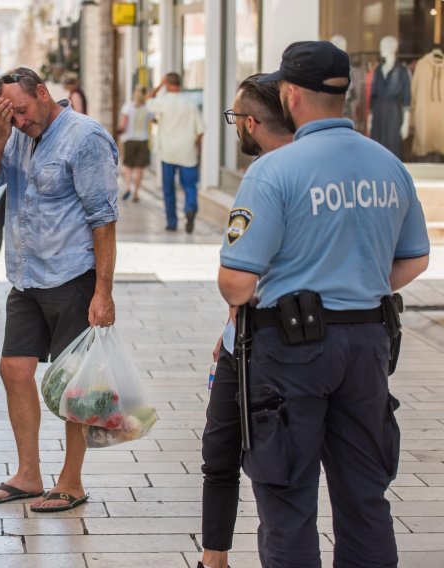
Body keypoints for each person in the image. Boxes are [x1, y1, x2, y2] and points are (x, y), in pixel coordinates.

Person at [218, 41, 430, 567]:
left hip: (291, 352)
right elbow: (416, 259)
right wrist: (356, 280)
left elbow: (236, 283)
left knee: (287, 497)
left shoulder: (274, 171)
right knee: (365, 496)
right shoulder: (389, 164)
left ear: (289, 95)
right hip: (368, 345)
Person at [0, 67, 119, 511]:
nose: (19, 119)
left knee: (75, 384)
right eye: (8, 113)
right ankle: (29, 474)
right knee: (13, 370)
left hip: (72, 277)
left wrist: (103, 292)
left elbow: (104, 220)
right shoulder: (12, 134)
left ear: (42, 92)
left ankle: (71, 480)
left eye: (22, 109)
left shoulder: (85, 137)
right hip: (26, 276)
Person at [199, 74, 293, 568]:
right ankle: (214, 558)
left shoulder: (269, 174)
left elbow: (238, 276)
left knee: (241, 457)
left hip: (269, 342)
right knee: (223, 452)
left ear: (251, 123)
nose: (236, 126)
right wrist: (229, 323)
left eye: (236, 118)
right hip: (246, 334)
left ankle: (217, 560)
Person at [146, 73, 204, 233]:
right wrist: (197, 146)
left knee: (168, 189)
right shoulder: (190, 102)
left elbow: (148, 100)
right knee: (190, 186)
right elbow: (200, 130)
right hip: (187, 152)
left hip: (168, 152)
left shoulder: (162, 102)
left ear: (167, 84)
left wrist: (159, 85)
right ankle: (190, 208)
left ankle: (172, 222)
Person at [118, 84, 153, 202]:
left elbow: (123, 125)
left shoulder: (127, 107)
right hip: (143, 140)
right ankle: (136, 193)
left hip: (129, 139)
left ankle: (128, 187)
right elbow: (153, 120)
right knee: (139, 169)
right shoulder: (148, 108)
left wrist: (118, 132)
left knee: (128, 167)